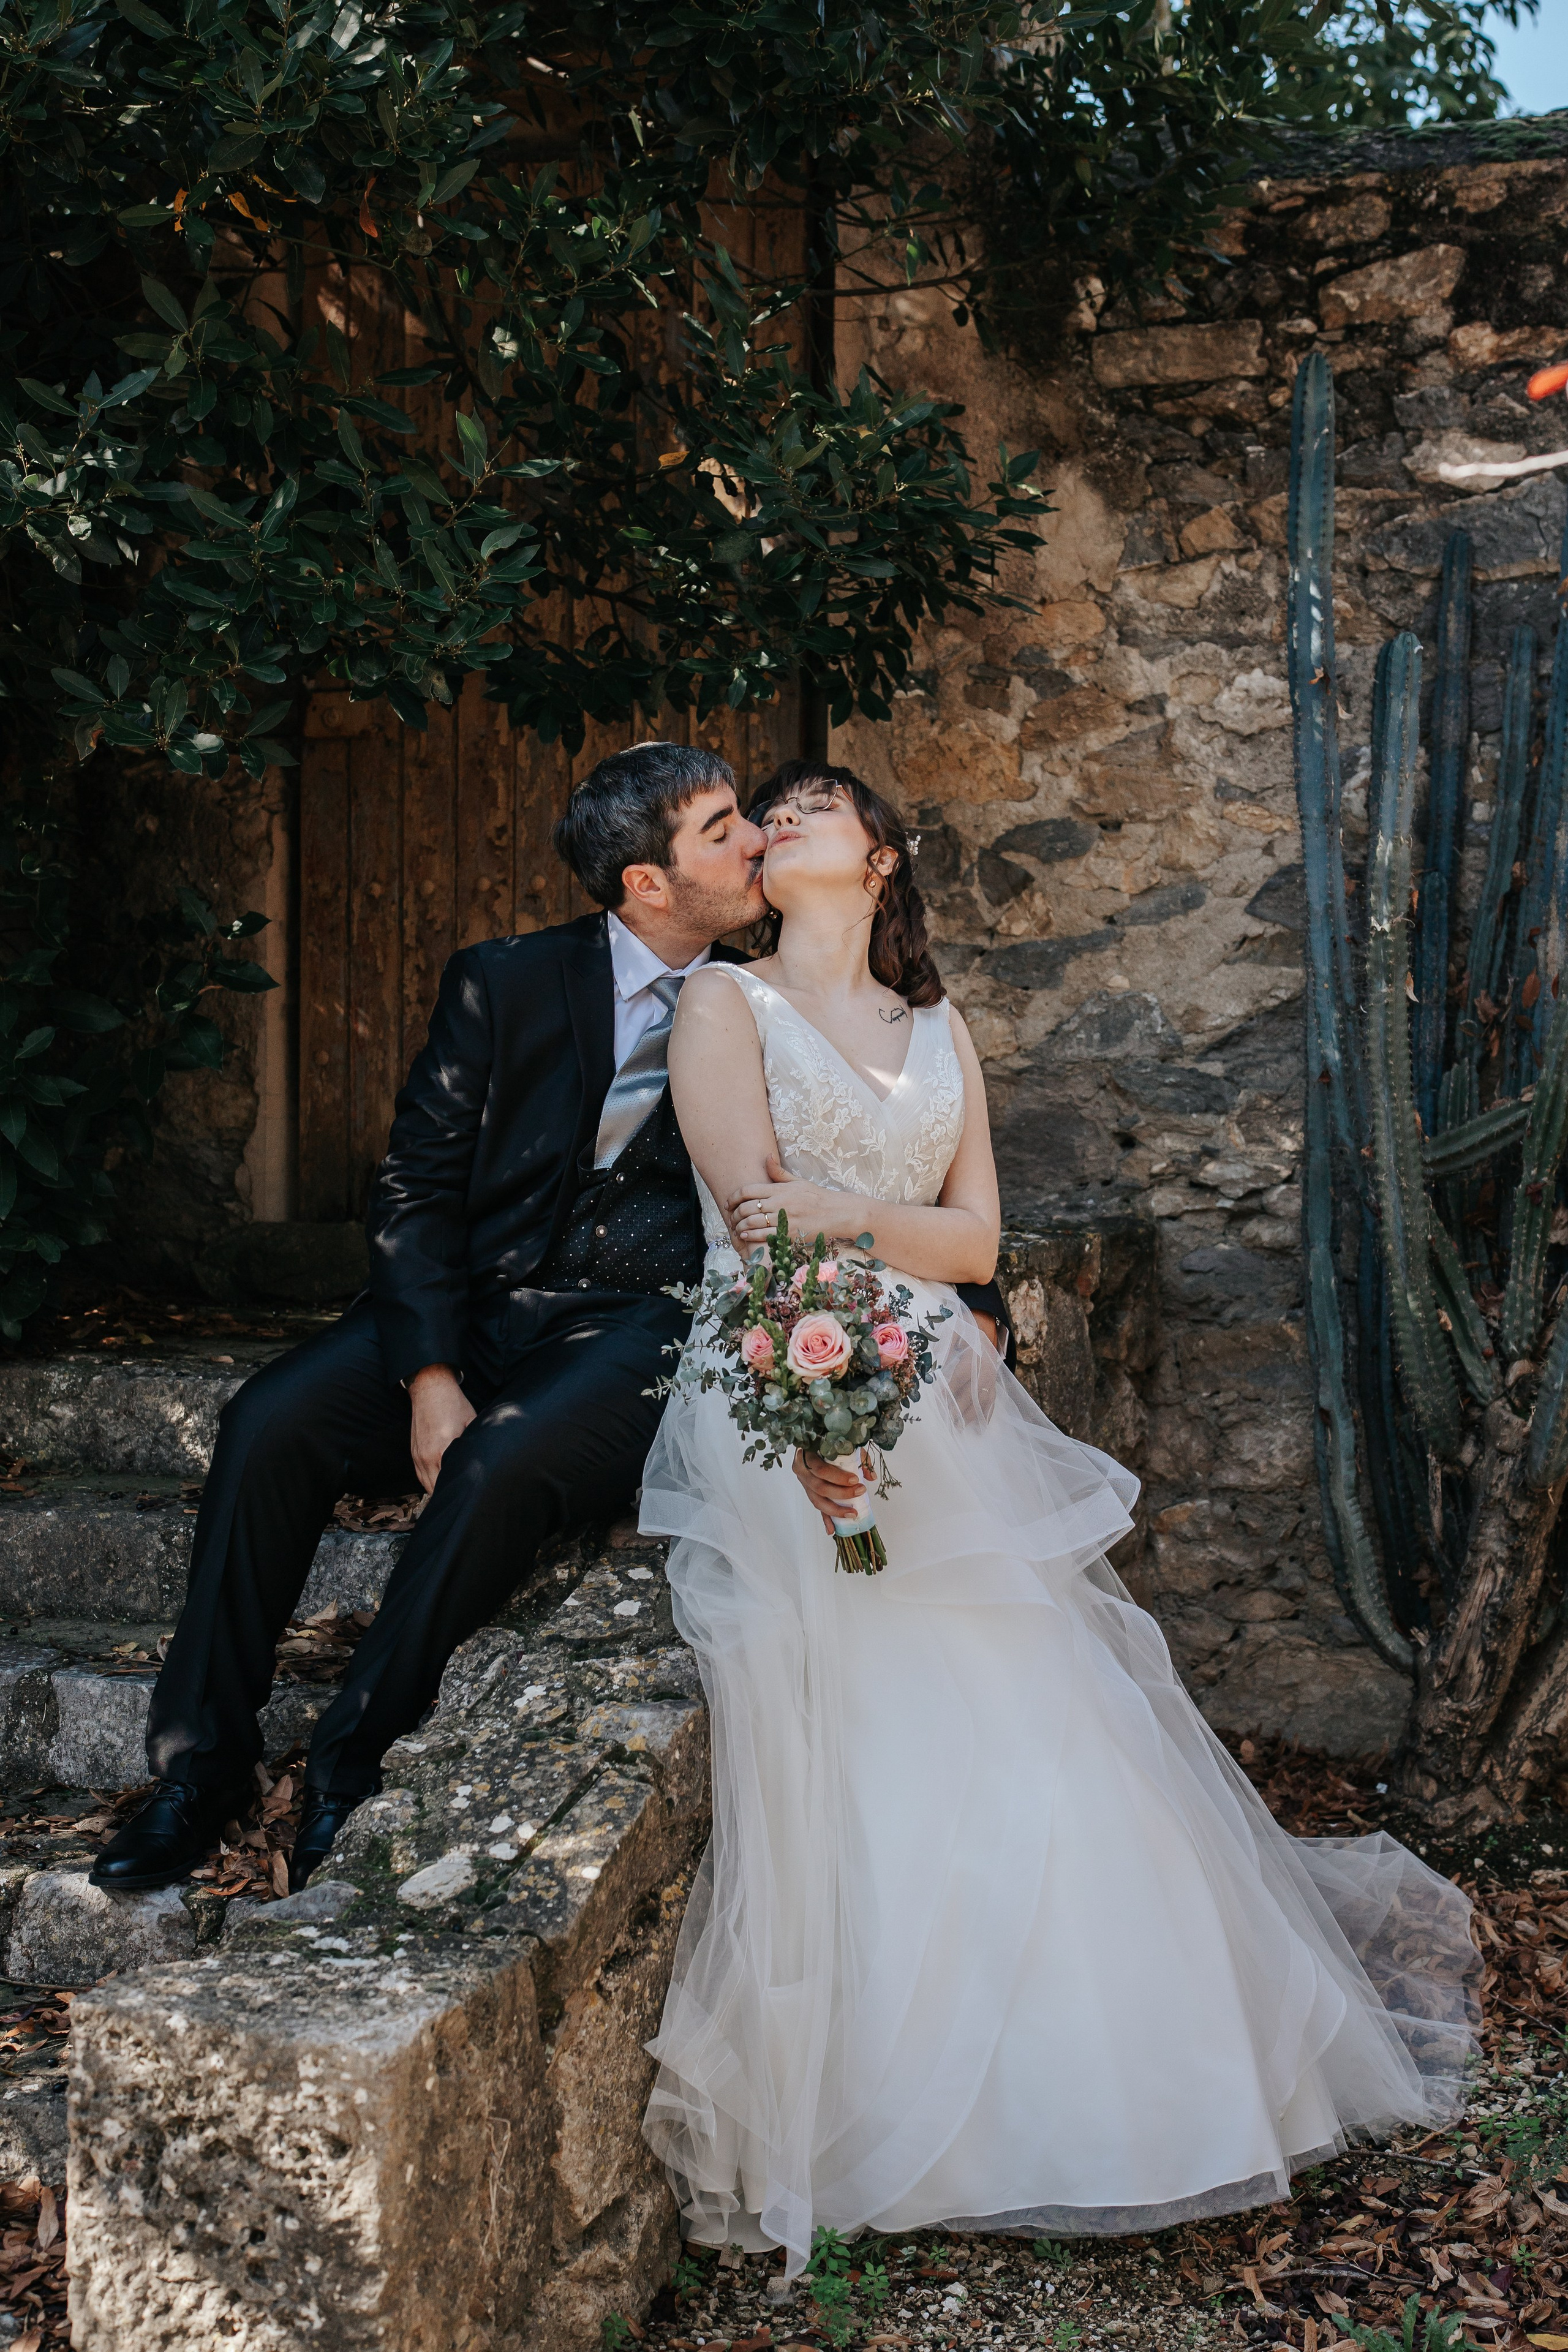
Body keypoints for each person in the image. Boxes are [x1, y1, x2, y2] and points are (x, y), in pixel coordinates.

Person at [638, 759, 1481, 2274]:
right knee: (875, 1717)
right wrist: (832, 1380)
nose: (776, 825)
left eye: (812, 805)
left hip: (930, 1377)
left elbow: (979, 1235)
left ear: (881, 859)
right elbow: (756, 1220)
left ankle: (1120, 2091)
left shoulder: (938, 1025)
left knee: (1034, 1699)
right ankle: (891, 2109)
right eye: (763, 816)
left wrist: (903, 1270)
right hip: (787, 1381)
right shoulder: (724, 1004)